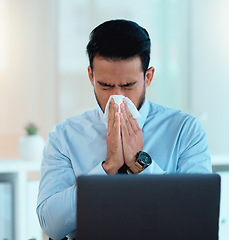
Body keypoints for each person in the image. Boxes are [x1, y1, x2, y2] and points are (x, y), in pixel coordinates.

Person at [36, 19, 211, 240]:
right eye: (105, 86)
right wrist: (107, 168)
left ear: (148, 77)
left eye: (128, 85)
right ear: (91, 76)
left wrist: (140, 162)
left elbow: (195, 219)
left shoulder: (184, 130)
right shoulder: (64, 137)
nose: (116, 97)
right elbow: (51, 225)